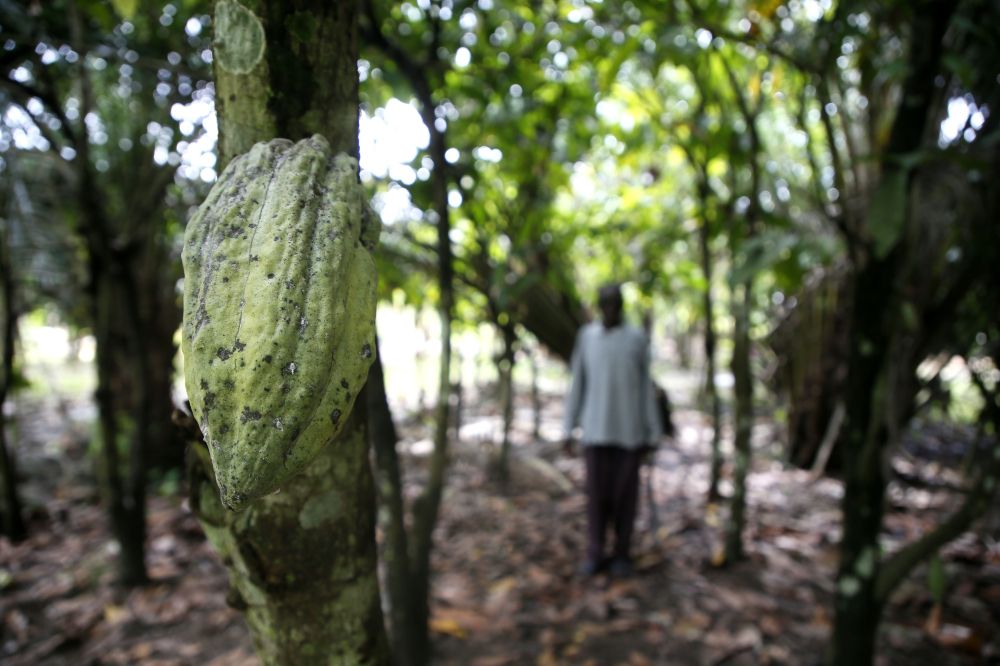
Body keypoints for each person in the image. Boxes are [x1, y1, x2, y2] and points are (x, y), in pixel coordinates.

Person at [563, 283, 663, 577]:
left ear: (621, 306)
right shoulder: (587, 337)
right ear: (598, 306)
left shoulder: (636, 339)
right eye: (605, 303)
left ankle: (622, 552)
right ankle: (595, 552)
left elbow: (646, 388)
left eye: (615, 303)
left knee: (625, 497)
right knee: (596, 497)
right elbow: (577, 384)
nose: (610, 309)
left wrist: (652, 432)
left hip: (629, 433)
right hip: (595, 432)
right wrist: (569, 428)